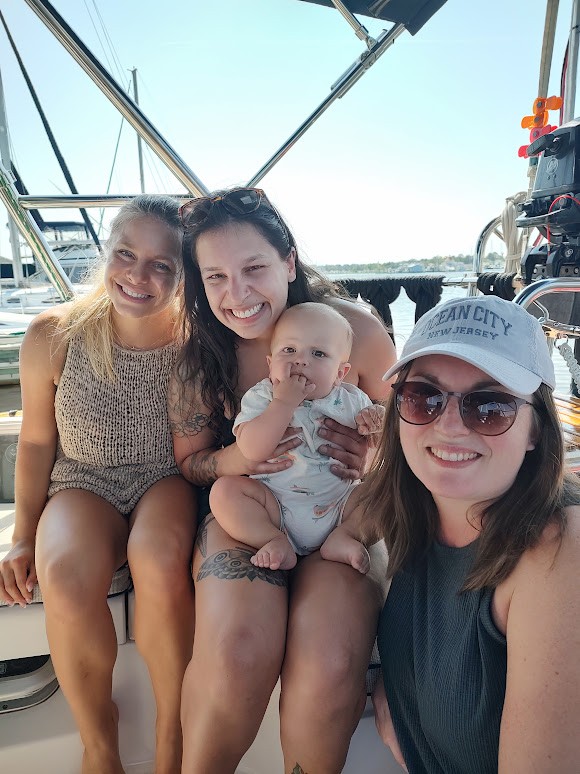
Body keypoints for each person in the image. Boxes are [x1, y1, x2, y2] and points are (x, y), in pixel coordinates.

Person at [169, 186, 397, 773]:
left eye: (254, 269)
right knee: (236, 650)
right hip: (257, 512)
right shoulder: (202, 357)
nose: (238, 294)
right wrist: (240, 459)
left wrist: (374, 453)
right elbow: (192, 463)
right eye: (216, 277)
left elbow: (412, 431)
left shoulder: (355, 334)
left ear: (289, 262)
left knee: (331, 658)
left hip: (341, 512)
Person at [0, 195, 197, 774]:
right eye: (126, 254)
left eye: (162, 265)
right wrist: (22, 535)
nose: (138, 275)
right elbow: (37, 442)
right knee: (62, 574)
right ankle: (99, 741)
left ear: (183, 274)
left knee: (159, 557)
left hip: (165, 479)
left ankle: (171, 731)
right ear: (106, 253)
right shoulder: (54, 335)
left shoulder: (197, 342)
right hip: (82, 481)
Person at [363, 295, 580, 773]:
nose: (449, 426)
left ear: (535, 430)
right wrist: (385, 691)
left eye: (490, 406)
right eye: (423, 397)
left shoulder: (560, 550)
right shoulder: (413, 510)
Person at [210, 301, 383, 573]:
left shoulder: (351, 400)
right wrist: (282, 404)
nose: (301, 360)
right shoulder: (263, 396)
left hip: (339, 503)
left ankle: (346, 536)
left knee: (387, 495)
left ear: (340, 373)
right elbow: (251, 450)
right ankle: (272, 540)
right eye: (289, 350)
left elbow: (375, 450)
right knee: (224, 492)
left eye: (318, 353)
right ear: (270, 364)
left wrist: (376, 424)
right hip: (274, 506)